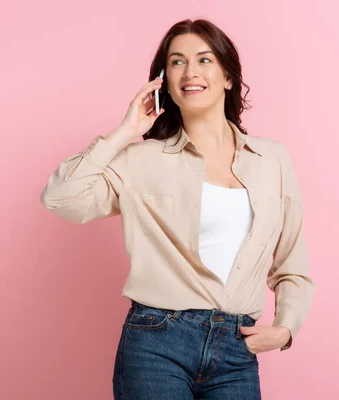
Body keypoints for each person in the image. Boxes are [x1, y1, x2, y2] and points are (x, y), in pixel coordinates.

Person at [40, 18, 314, 400]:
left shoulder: (272, 159)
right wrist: (125, 131)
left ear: (229, 77)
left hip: (236, 350)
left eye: (204, 60)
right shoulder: (140, 160)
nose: (190, 72)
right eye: (177, 62)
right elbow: (60, 198)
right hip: (156, 343)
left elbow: (291, 262)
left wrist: (285, 328)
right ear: (165, 81)